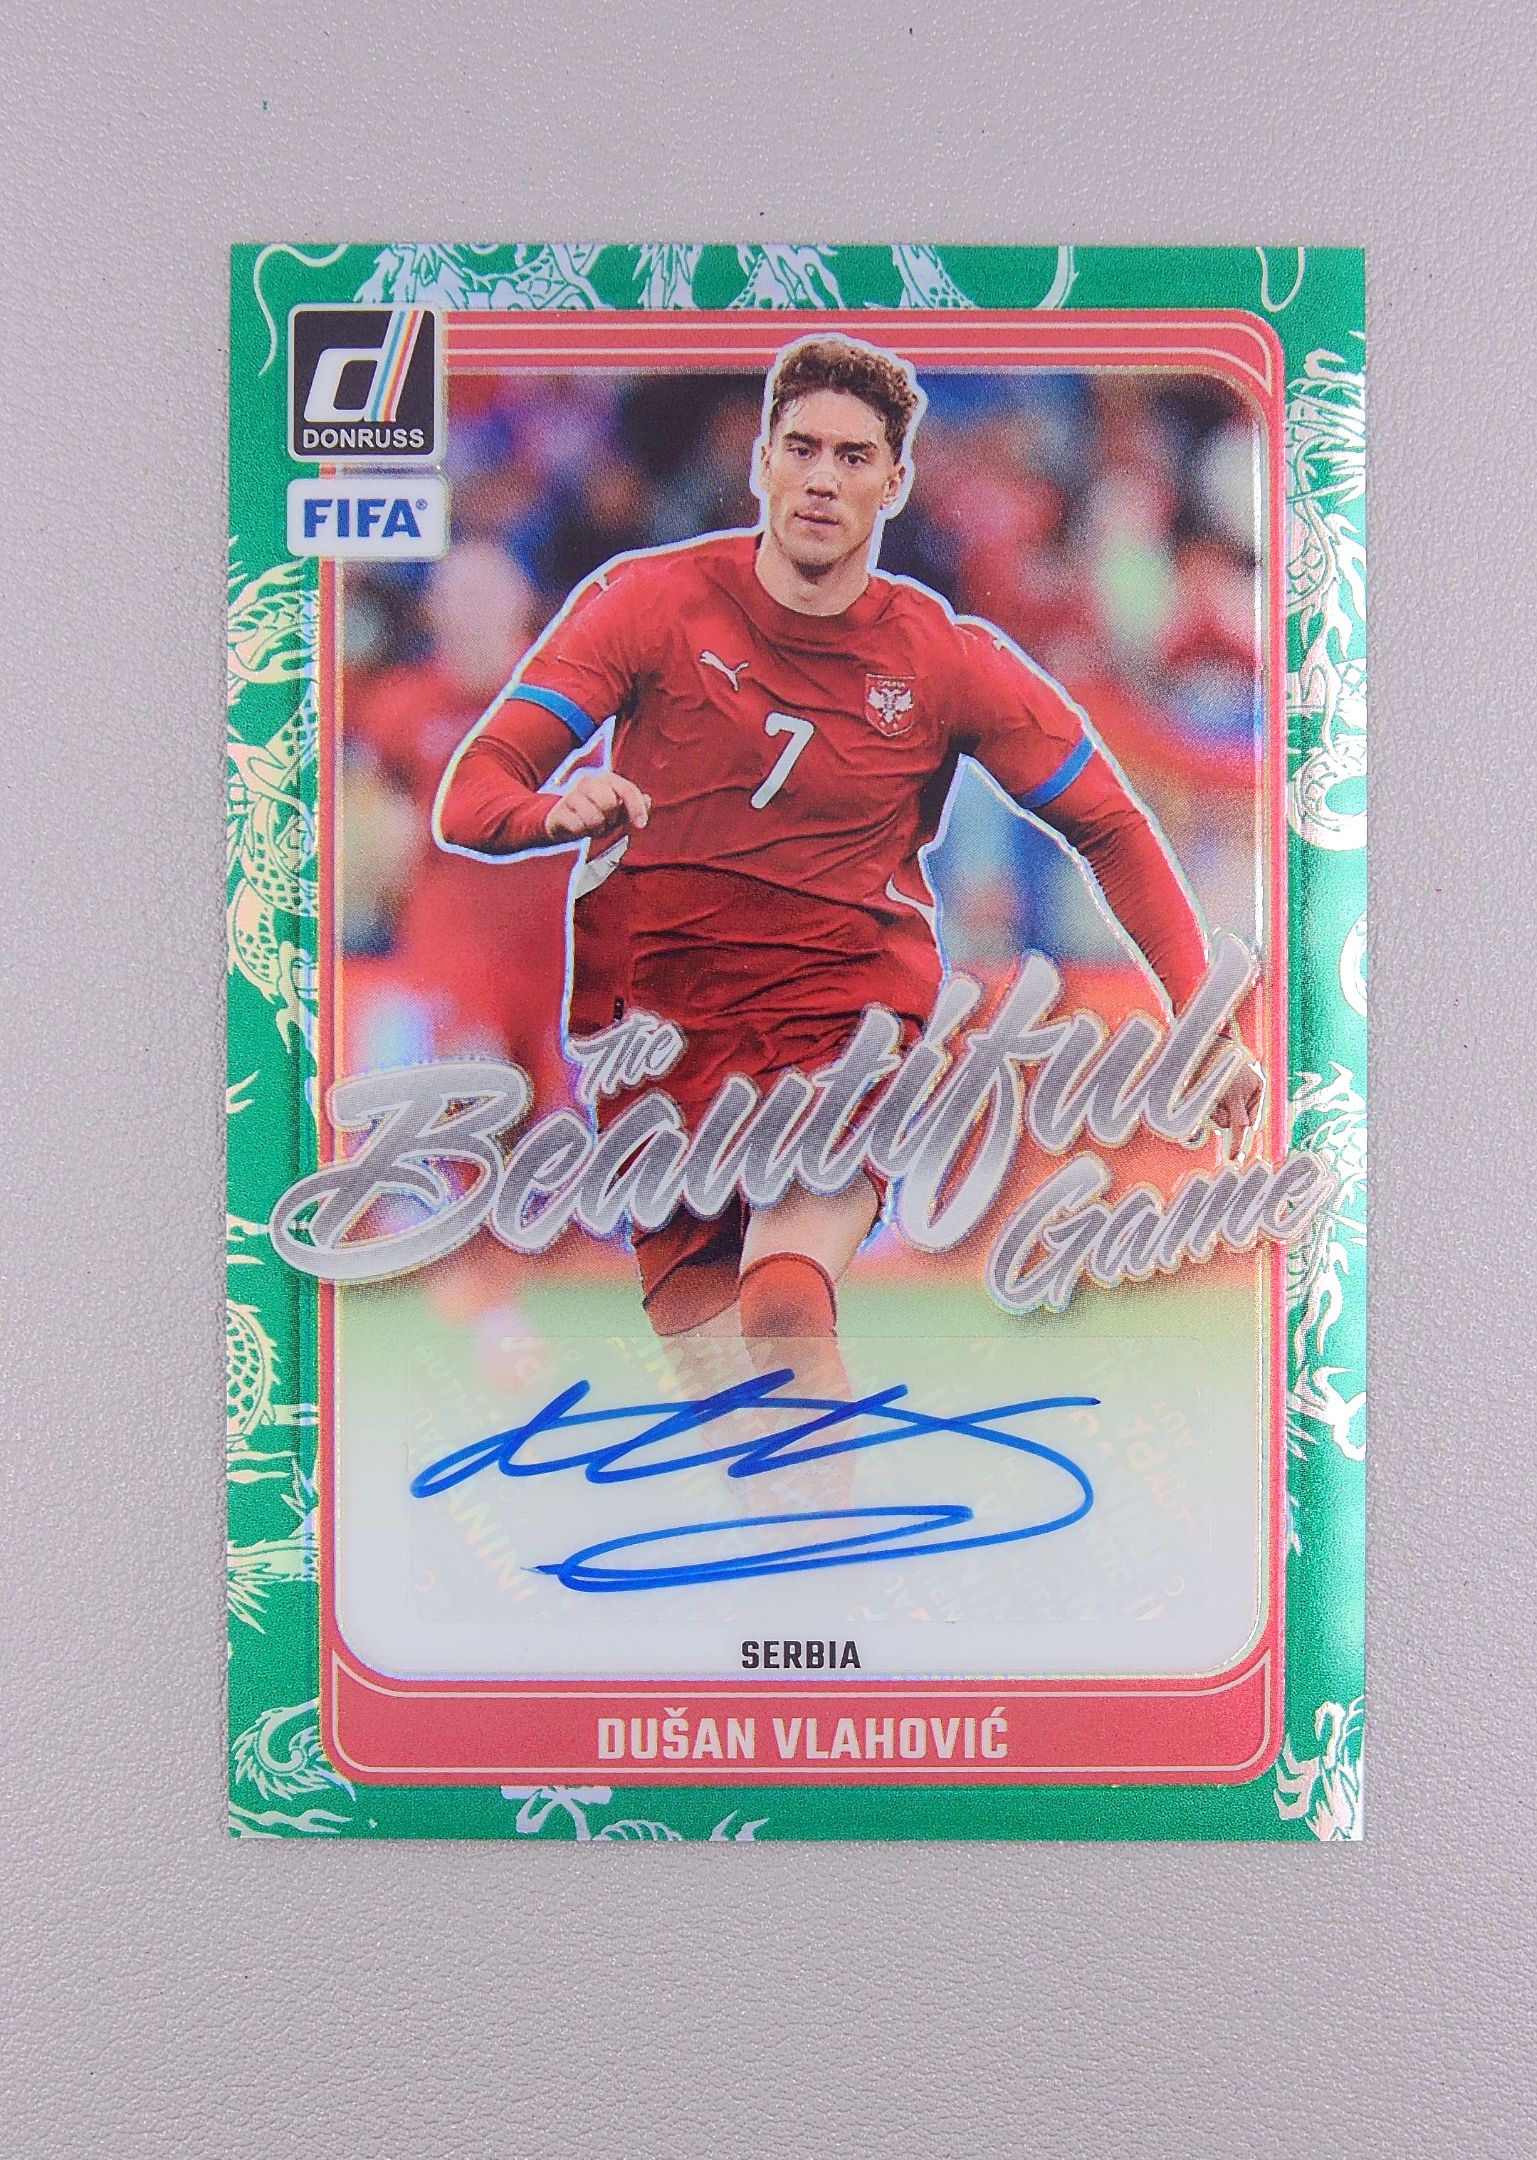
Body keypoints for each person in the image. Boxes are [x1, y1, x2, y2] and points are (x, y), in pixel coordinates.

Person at [434, 335, 1260, 1378]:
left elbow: (1110, 823)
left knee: (783, 1305)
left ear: (893, 483)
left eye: (854, 456)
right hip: (661, 1042)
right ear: (762, 464)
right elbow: (474, 792)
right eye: (802, 448)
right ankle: (796, 1479)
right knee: (715, 1376)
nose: (823, 478)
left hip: (843, 1029)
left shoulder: (943, 658)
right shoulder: (645, 604)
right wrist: (549, 810)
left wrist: (1199, 1019)